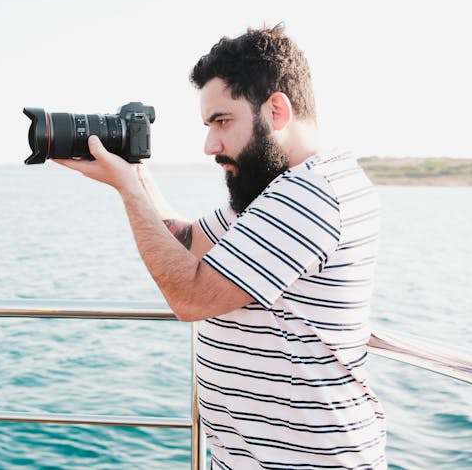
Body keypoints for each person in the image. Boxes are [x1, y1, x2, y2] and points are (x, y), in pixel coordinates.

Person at [56, 24, 386, 469]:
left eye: (222, 122)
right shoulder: (274, 190)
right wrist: (133, 177)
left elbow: (189, 297)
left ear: (277, 110)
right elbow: (189, 241)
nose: (210, 145)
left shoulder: (312, 194)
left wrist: (129, 193)